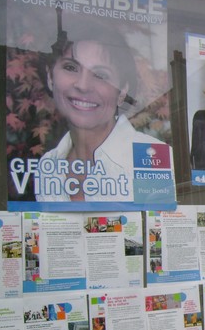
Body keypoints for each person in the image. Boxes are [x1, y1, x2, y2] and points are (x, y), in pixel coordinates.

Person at [36, 17, 169, 202]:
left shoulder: (152, 157)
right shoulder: (48, 165)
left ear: (122, 92)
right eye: (71, 67)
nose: (83, 85)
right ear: (51, 77)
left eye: (100, 75)